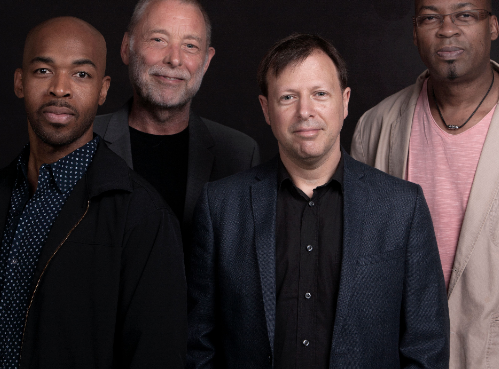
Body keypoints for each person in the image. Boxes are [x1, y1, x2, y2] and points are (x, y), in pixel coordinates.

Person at [352, 0, 499, 368]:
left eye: (465, 15)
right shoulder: (375, 128)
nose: (447, 30)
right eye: (430, 18)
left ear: (493, 26)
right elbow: (359, 274)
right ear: (414, 32)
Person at [0, 17, 186, 368]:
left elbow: (156, 356)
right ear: (20, 82)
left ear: (103, 90)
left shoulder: (144, 218)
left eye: (81, 74)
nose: (60, 89)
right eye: (43, 71)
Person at [188, 33, 449, 368]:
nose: (305, 111)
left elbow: (427, 347)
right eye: (288, 97)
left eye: (320, 94)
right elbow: (198, 344)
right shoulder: (221, 208)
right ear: (266, 109)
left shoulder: (402, 208)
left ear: (345, 101)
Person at [94, 0, 260, 262]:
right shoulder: (84, 142)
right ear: (126, 48)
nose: (174, 59)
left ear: (206, 61)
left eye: (190, 46)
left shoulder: (240, 155)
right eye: (158, 39)